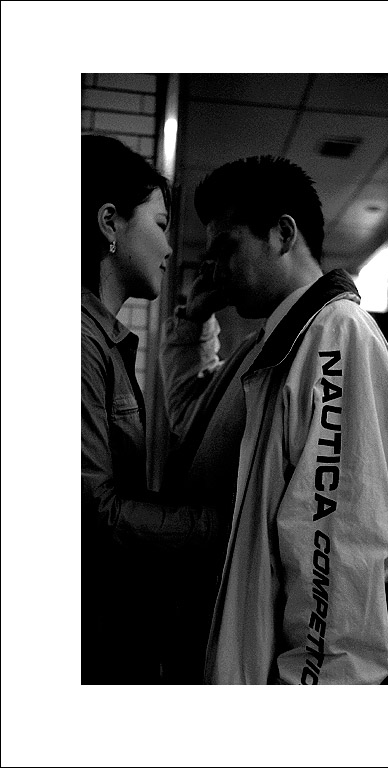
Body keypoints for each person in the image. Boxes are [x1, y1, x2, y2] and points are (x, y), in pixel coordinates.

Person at [160, 155, 388, 684]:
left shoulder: (337, 337)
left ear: (283, 234)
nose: (216, 270)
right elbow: (190, 418)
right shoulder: (268, 345)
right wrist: (194, 321)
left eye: (228, 248)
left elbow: (340, 548)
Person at [81, 135, 221, 684]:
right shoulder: (77, 341)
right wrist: (226, 525)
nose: (168, 247)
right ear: (109, 223)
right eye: (160, 225)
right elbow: (94, 514)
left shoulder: (102, 338)